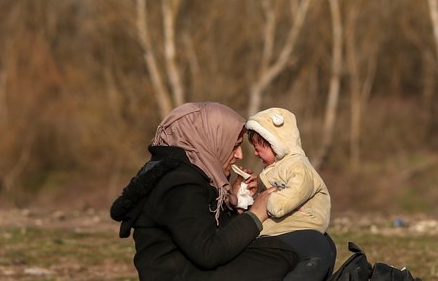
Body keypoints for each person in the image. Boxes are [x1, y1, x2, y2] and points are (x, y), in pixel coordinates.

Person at [110, 102, 298, 281]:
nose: (240, 154)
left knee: (292, 247)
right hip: (179, 276)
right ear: (210, 141)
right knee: (286, 255)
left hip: (191, 271)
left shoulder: (191, 174)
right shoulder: (178, 184)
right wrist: (257, 212)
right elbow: (208, 252)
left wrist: (236, 205)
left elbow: (206, 232)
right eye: (234, 145)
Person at [245, 107, 336, 281]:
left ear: (275, 143)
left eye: (258, 148)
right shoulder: (275, 168)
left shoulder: (298, 166)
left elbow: (283, 202)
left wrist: (266, 201)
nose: (255, 153)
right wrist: (253, 194)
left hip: (301, 225)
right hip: (285, 228)